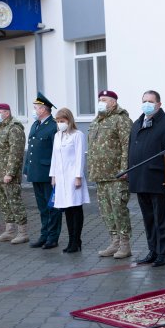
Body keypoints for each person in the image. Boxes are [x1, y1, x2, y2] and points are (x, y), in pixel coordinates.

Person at [129, 90, 165, 267]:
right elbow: (131, 150)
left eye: (150, 101)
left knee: (162, 219)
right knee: (148, 218)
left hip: (159, 178)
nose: (147, 104)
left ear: (159, 104)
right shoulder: (137, 123)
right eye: (144, 101)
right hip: (140, 178)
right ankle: (153, 250)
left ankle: (163, 252)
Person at [88, 90, 133, 259]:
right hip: (100, 175)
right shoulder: (97, 121)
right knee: (106, 211)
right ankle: (114, 242)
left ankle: (124, 244)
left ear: (113, 102)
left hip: (116, 175)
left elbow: (126, 147)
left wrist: (124, 169)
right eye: (99, 99)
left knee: (119, 209)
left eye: (104, 100)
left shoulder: (121, 120)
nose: (100, 102)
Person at [24, 92, 63, 250]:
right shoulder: (36, 124)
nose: (34, 110)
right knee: (42, 207)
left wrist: (56, 173)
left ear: (44, 109)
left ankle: (53, 237)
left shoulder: (53, 126)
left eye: (36, 108)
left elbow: (57, 151)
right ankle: (44, 235)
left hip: (48, 173)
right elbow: (31, 148)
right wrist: (27, 168)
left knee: (52, 207)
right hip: (36, 172)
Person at [0, 103, 29, 244]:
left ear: (7, 113)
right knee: (3, 203)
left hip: (8, 175)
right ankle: (9, 231)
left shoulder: (14, 128)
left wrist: (10, 173)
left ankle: (22, 232)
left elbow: (15, 153)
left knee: (14, 201)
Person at [50, 108, 90, 253]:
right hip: (61, 179)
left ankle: (76, 240)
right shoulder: (57, 135)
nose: (60, 124)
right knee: (66, 209)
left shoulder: (77, 135)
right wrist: (53, 176)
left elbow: (80, 156)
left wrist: (78, 176)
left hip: (73, 177)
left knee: (75, 208)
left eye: (63, 121)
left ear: (69, 120)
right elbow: (54, 156)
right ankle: (71, 240)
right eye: (58, 121)